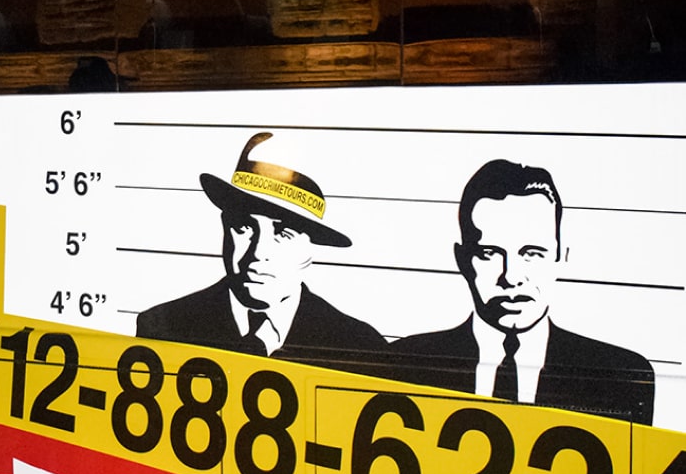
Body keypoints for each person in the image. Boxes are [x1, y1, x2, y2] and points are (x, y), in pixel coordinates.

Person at [389, 159, 655, 424]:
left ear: (560, 257)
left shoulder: (620, 375)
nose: (512, 277)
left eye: (532, 253)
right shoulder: (402, 364)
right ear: (462, 259)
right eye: (490, 253)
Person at [136, 132, 386, 373]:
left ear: (310, 250)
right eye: (243, 227)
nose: (258, 253)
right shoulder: (164, 327)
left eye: (283, 233)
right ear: (224, 227)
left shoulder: (357, 344)